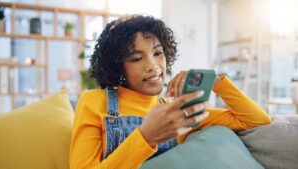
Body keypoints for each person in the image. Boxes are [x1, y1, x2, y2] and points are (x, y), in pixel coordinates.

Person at [69, 15, 271, 169]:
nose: (153, 66)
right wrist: (145, 138)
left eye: (157, 53)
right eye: (137, 58)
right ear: (119, 67)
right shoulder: (95, 102)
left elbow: (256, 120)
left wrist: (215, 81)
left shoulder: (179, 111)